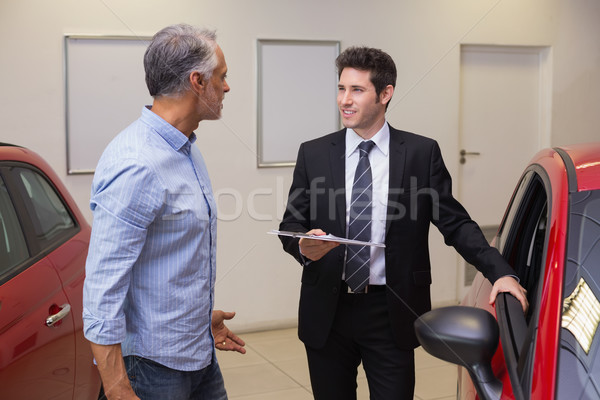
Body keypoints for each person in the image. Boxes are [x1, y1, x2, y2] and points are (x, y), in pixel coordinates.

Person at [278, 46, 528, 400]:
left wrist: (500, 271)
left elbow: (454, 223)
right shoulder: (314, 152)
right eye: (341, 88)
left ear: (385, 94)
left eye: (357, 90)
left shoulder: (420, 153)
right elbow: (292, 222)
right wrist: (303, 245)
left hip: (391, 310)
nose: (344, 101)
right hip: (327, 310)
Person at [83, 24, 245, 400]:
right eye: (222, 77)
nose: (227, 87)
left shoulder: (185, 148)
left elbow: (167, 261)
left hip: (198, 354)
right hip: (151, 371)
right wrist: (118, 387)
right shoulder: (137, 164)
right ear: (197, 82)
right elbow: (102, 288)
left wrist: (198, 322)